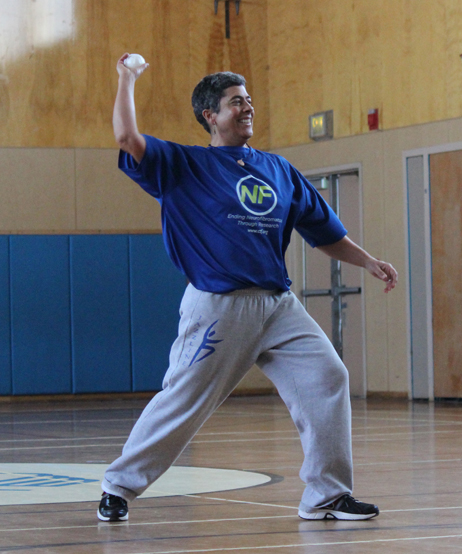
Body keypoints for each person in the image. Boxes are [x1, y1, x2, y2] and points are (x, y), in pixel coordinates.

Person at [97, 53, 398, 522]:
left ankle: (327, 494)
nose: (247, 107)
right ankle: (118, 485)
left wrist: (368, 261)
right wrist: (127, 77)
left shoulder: (279, 170)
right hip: (218, 306)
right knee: (183, 400)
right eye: (236, 102)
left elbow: (324, 232)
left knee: (327, 377)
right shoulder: (183, 166)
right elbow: (125, 137)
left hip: (278, 305)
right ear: (210, 116)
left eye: (249, 99)